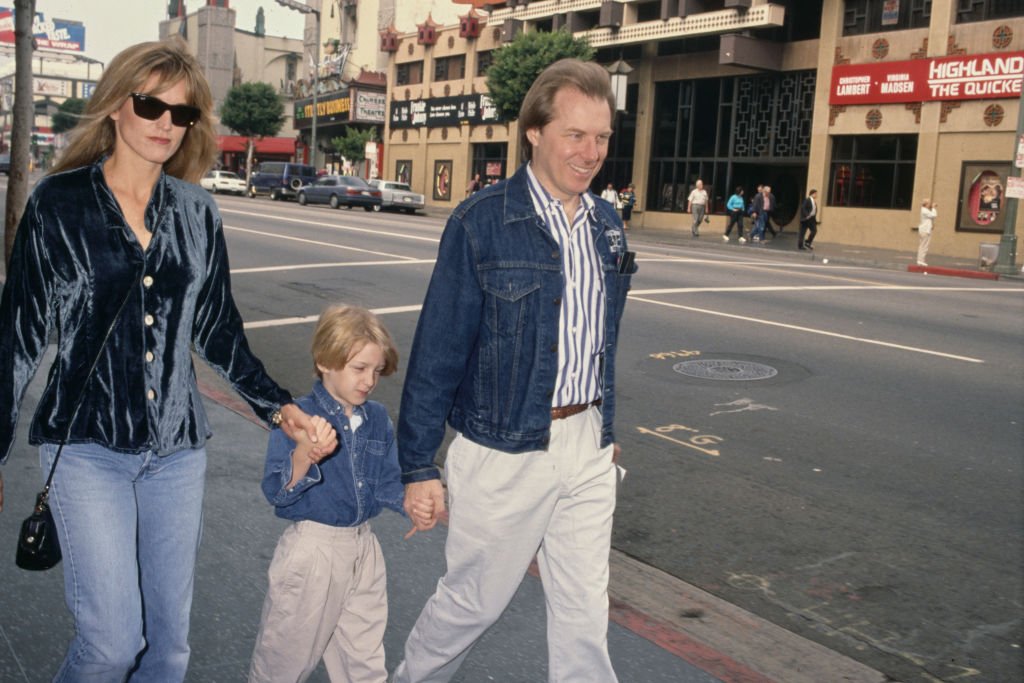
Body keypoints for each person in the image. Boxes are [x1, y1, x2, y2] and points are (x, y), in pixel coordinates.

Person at [0, 37, 336, 682]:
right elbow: (17, 339)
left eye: (181, 114)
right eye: (152, 105)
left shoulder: (198, 211)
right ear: (116, 107)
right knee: (111, 645)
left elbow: (218, 331)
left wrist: (281, 409)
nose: (165, 124)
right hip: (86, 449)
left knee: (169, 649)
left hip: (177, 455)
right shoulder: (59, 204)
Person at [393, 58, 636, 683]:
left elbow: (597, 338)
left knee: (585, 611)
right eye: (575, 135)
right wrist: (419, 466)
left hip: (585, 445)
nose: (592, 152)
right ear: (535, 131)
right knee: (473, 601)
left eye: (602, 137)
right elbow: (438, 351)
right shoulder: (483, 221)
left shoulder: (607, 226)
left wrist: (600, 425)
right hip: (504, 448)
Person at [249, 305, 410, 683]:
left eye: (376, 370)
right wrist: (304, 453)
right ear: (325, 361)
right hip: (313, 553)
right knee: (283, 662)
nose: (369, 380)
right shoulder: (297, 417)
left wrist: (410, 501)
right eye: (359, 368)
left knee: (365, 664)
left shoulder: (377, 418)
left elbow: (386, 479)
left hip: (363, 550)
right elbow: (277, 491)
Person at [917, 198, 937, 266]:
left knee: (922, 245)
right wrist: (934, 208)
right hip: (925, 230)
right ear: (925, 204)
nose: (930, 204)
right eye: (929, 203)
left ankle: (920, 260)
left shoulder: (924, 210)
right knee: (924, 245)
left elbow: (930, 218)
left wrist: (932, 225)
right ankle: (921, 260)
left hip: (924, 230)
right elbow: (933, 215)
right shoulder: (924, 210)